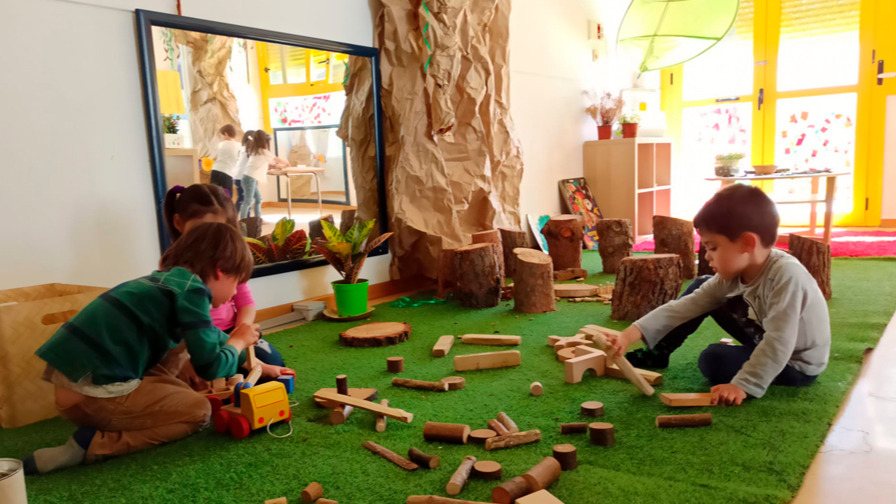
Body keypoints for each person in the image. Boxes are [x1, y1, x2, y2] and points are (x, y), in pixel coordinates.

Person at [23, 222, 257, 474]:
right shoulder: (194, 291)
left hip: (77, 383)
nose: (235, 293)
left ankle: (131, 411)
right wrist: (239, 342)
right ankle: (90, 445)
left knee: (180, 345)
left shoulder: (170, 282)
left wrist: (253, 358)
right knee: (198, 412)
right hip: (94, 393)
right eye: (237, 283)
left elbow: (210, 336)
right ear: (220, 270)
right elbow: (211, 367)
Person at [604, 184, 831, 406]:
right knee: (703, 287)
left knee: (714, 359)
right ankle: (659, 352)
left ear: (747, 243)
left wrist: (742, 385)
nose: (707, 256)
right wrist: (628, 336)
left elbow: (779, 342)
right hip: (764, 337)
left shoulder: (786, 275)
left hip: (795, 364)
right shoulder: (733, 275)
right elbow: (683, 307)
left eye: (713, 248)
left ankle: (753, 372)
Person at [163, 183, 290, 385]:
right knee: (198, 375)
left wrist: (242, 329)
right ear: (179, 223)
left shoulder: (228, 258)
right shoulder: (172, 266)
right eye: (202, 229)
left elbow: (245, 301)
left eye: (220, 229)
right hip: (193, 341)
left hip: (230, 332)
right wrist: (183, 357)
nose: (210, 239)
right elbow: (169, 325)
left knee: (272, 363)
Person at [239, 129, 289, 220]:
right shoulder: (262, 151)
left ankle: (258, 219)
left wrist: (277, 166)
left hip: (249, 177)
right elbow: (276, 159)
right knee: (248, 201)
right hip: (249, 178)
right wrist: (287, 163)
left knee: (258, 199)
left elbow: (266, 163)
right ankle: (243, 221)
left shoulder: (256, 151)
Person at [209, 124, 241, 195]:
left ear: (226, 134)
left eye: (223, 135)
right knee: (227, 197)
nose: (222, 137)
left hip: (215, 170)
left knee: (214, 195)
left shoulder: (220, 144)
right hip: (227, 173)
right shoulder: (239, 146)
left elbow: (212, 156)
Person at [233, 130, 253, 215]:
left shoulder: (243, 149)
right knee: (246, 199)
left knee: (242, 198)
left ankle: (235, 216)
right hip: (243, 177)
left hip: (238, 176)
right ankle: (244, 219)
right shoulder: (249, 150)